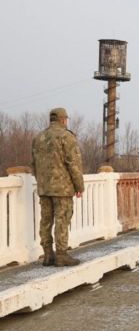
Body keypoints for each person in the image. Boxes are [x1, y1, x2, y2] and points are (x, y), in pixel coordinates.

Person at [31, 108, 84, 267]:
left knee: (46, 220)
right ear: (63, 120)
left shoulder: (38, 138)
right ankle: (61, 254)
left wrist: (41, 181)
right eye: (66, 119)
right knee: (62, 218)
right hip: (62, 188)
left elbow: (34, 164)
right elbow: (73, 164)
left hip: (44, 187)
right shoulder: (66, 137)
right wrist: (79, 186)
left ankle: (48, 255)